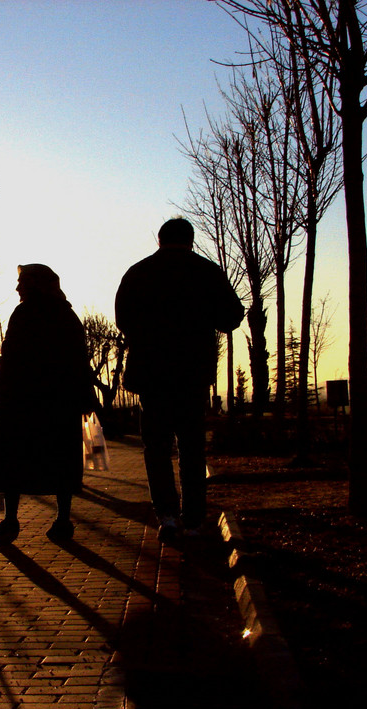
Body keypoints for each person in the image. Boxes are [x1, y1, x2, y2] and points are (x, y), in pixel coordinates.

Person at [115, 218, 244, 543]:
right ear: (191, 239)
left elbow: (122, 320)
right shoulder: (206, 271)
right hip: (192, 373)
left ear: (159, 240)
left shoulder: (137, 273)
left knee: (155, 448)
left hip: (151, 374)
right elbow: (231, 317)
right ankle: (194, 518)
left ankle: (167, 515)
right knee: (191, 448)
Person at [0, 264, 97, 543]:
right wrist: (85, 400)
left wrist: (1, 383)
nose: (17, 288)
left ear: (35, 284)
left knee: (13, 460)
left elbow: (9, 355)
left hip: (22, 401)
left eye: (22, 282)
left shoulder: (24, 314)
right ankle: (62, 520)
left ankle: (10, 519)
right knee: (61, 459)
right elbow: (81, 363)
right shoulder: (68, 316)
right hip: (61, 403)